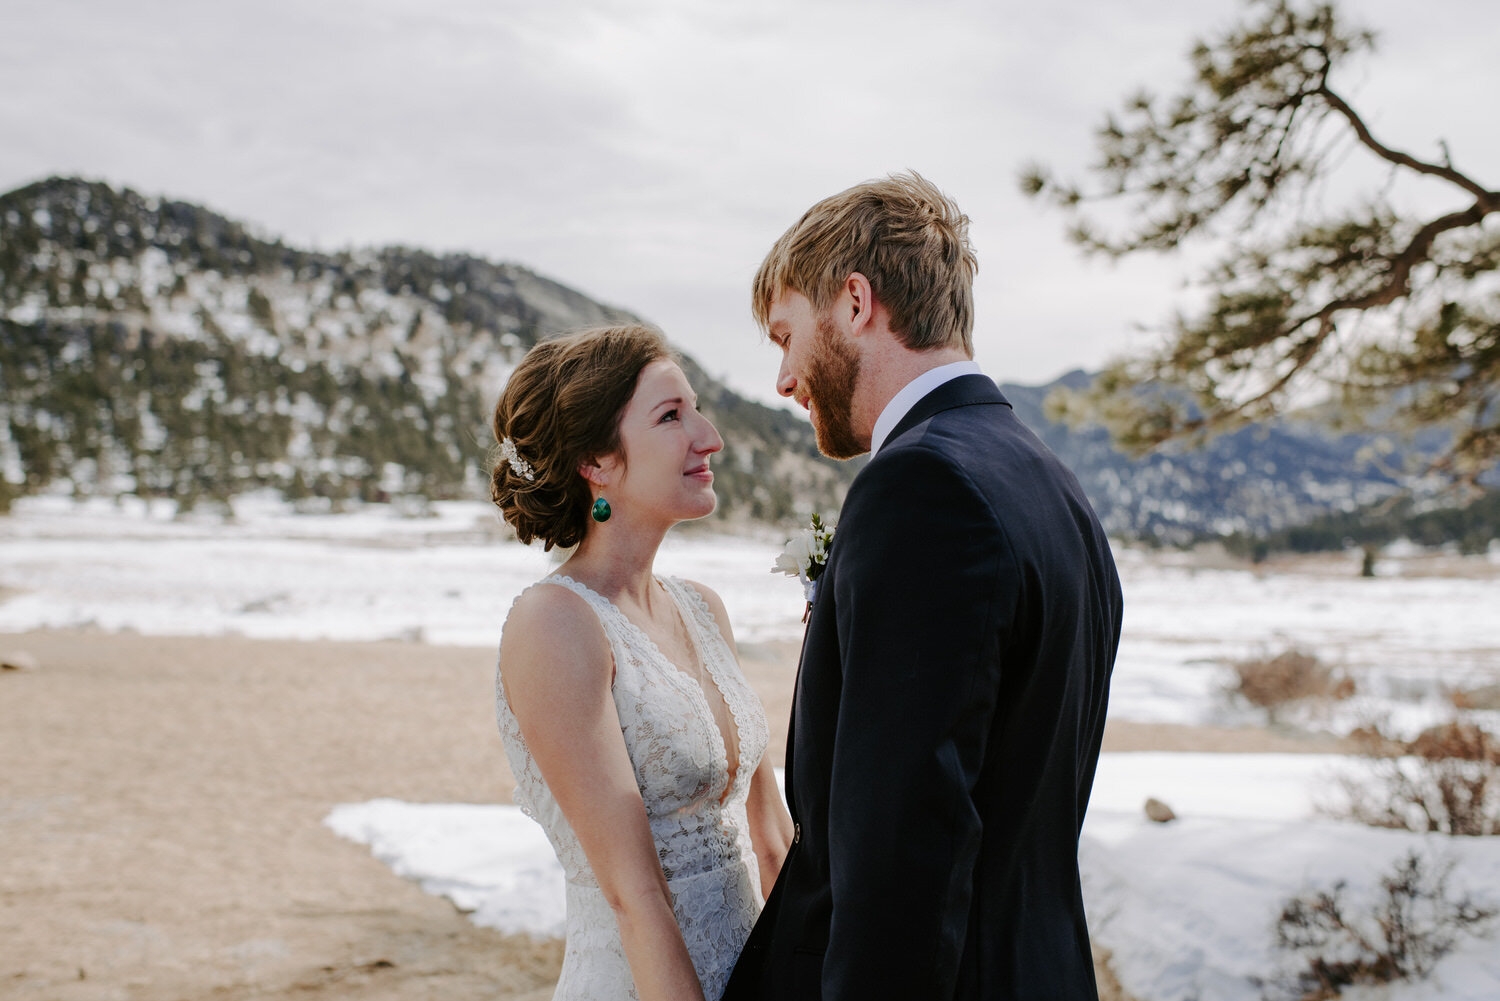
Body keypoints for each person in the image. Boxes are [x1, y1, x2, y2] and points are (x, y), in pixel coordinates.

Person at [723, 173, 1123, 1000]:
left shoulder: (923, 487)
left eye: (785, 336)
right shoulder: (1052, 484)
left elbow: (904, 847)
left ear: (855, 302)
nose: (784, 379)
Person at [490, 325, 795, 1001]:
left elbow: (772, 839)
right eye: (671, 416)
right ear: (596, 460)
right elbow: (635, 893)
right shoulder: (555, 624)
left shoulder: (703, 609)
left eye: (696, 408)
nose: (708, 435)